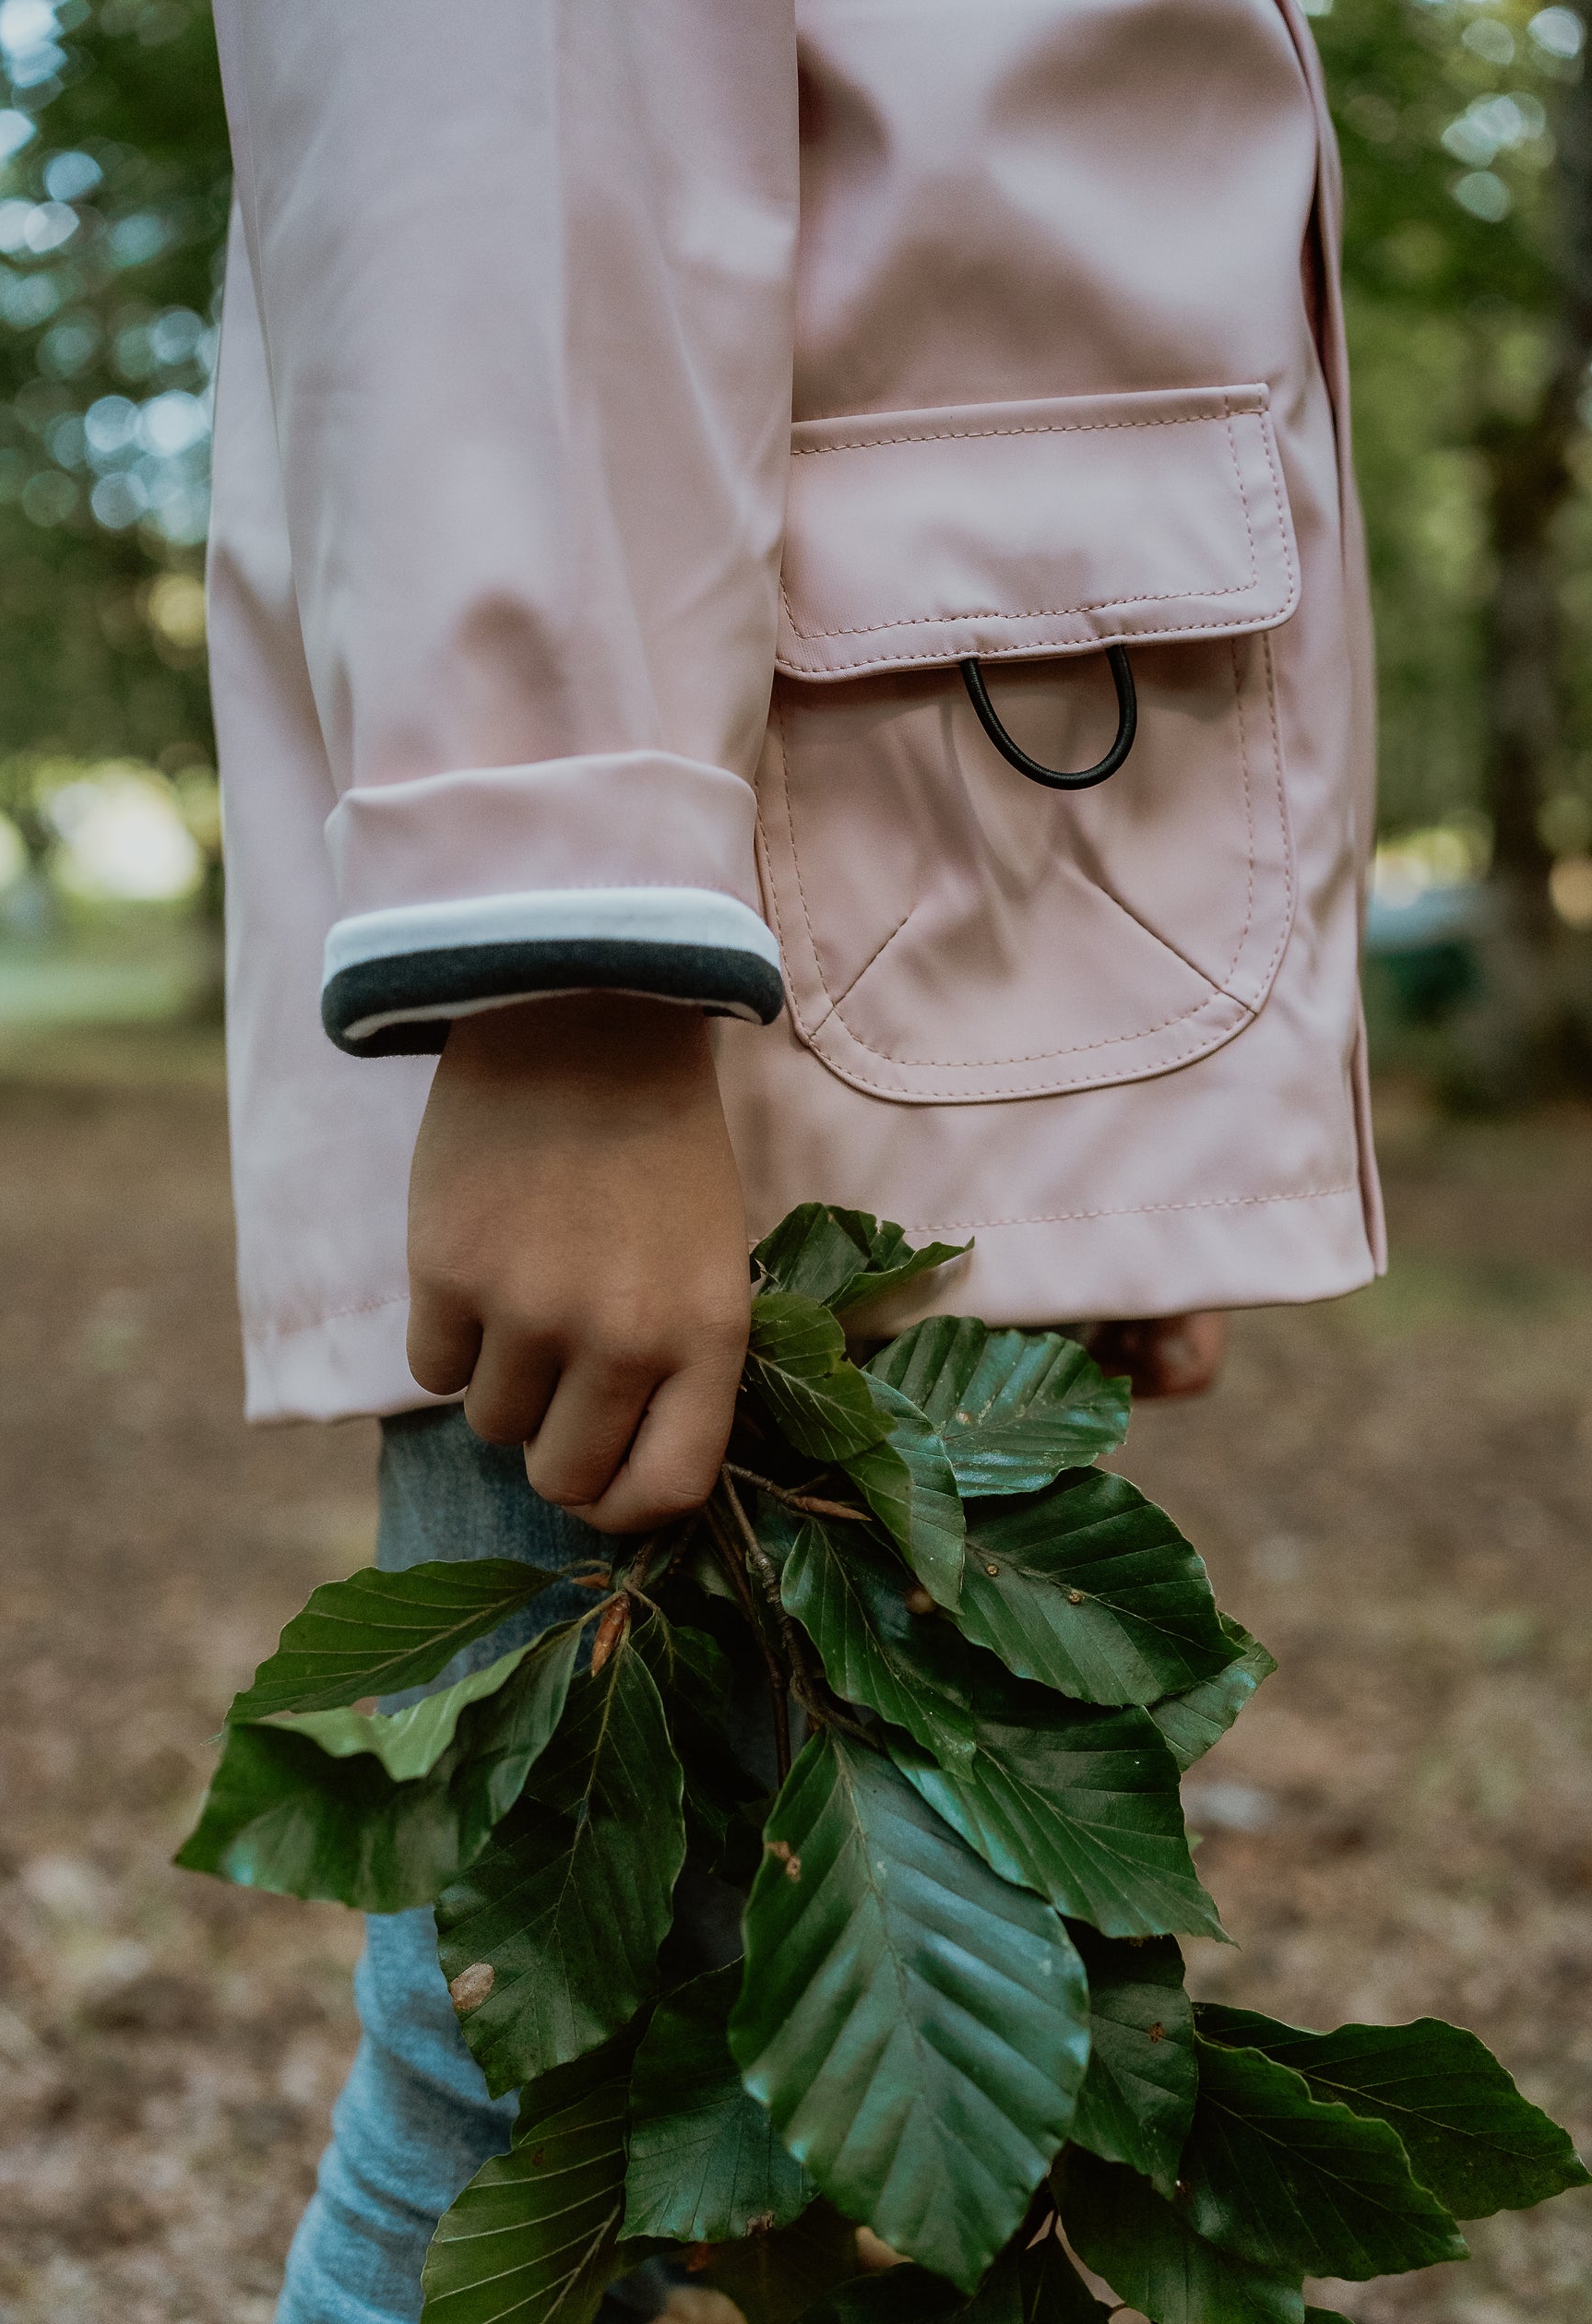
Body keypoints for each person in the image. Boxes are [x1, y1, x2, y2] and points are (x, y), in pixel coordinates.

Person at [205, 1, 1384, 2316]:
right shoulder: (600, 1011)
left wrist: (1100, 1122)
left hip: (889, 948)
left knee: (751, 2104)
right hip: (692, 1024)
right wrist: (572, 981)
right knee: (538, 2091)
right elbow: (502, 110)